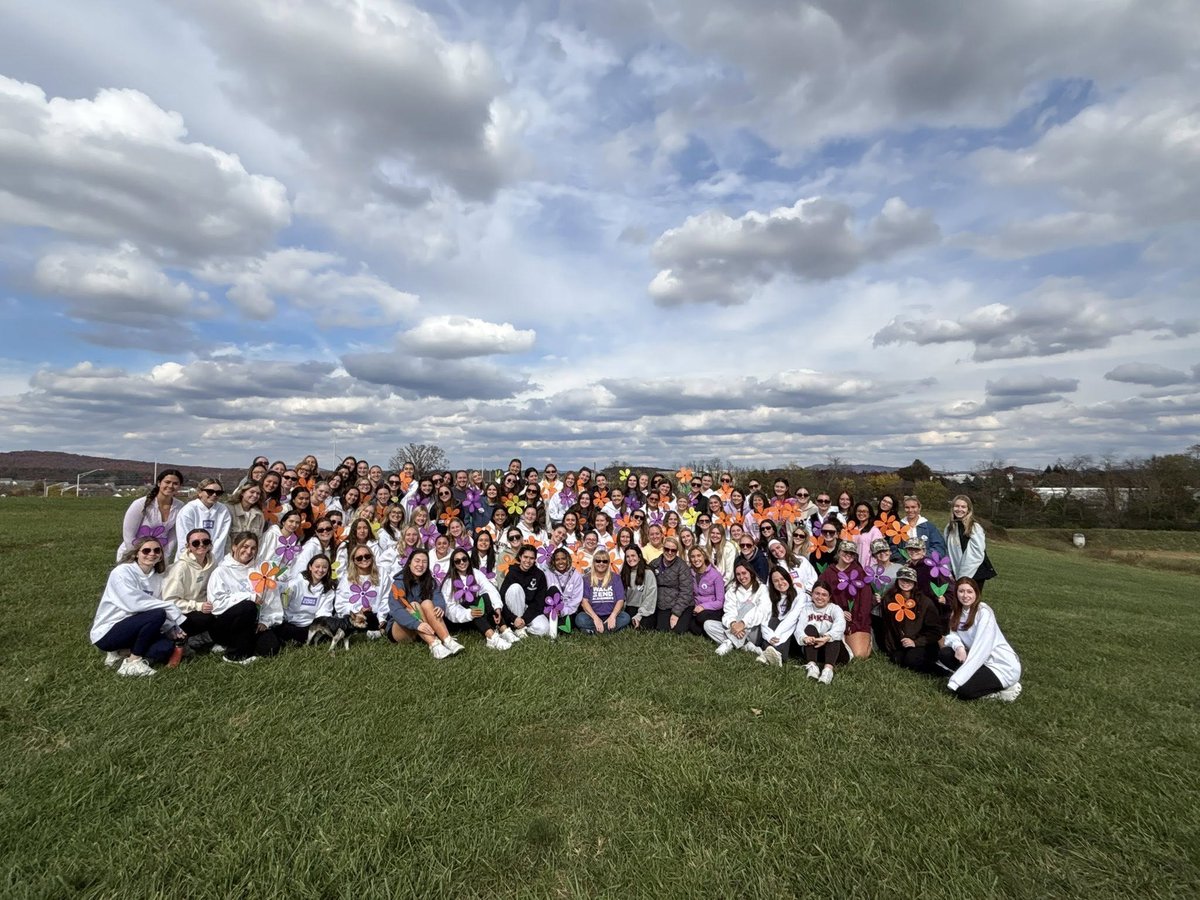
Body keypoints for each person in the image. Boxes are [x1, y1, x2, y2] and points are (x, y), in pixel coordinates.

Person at [90, 536, 186, 676]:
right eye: (146, 551)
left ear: (160, 556)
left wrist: (171, 628)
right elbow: (133, 604)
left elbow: (154, 608)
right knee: (157, 613)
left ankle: (120, 653)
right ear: (136, 554)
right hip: (109, 631)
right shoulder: (122, 572)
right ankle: (132, 663)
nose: (151, 554)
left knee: (165, 647)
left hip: (137, 628)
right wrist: (172, 609)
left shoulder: (158, 578)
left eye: (156, 550)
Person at [939, 577, 1022, 701]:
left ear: (976, 593)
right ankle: (976, 679)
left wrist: (958, 679)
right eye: (961, 591)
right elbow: (953, 634)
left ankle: (1005, 690)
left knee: (962, 690)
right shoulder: (957, 612)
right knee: (945, 653)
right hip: (980, 662)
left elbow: (981, 649)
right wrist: (959, 647)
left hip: (1000, 666)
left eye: (969, 591)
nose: (965, 595)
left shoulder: (984, 612)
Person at [206, 530, 283, 662]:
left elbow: (271, 598)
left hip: (253, 624)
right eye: (244, 546)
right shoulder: (221, 571)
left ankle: (244, 643)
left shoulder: (262, 569)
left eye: (253, 548)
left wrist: (266, 621)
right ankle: (234, 655)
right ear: (234, 547)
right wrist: (249, 596)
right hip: (226, 626)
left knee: (270, 649)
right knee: (248, 606)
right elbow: (217, 605)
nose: (249, 551)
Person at [385, 549, 462, 658]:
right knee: (414, 605)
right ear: (410, 562)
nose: (420, 565)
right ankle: (434, 644)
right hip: (400, 628)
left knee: (427, 602)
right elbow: (396, 610)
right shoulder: (398, 583)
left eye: (424, 562)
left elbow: (437, 595)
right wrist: (417, 624)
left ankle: (447, 640)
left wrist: (440, 607)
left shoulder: (430, 581)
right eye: (417, 561)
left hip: (421, 627)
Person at [441, 548, 512, 649]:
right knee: (471, 603)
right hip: (460, 619)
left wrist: (497, 608)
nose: (461, 563)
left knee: (486, 596)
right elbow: (449, 608)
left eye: (464, 559)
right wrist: (468, 613)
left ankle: (504, 629)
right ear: (453, 564)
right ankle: (492, 637)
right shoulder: (449, 582)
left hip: (476, 615)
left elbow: (489, 589)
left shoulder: (476, 573)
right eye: (457, 561)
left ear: (468, 560)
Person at [161, 527, 217, 654]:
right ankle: (181, 639)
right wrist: (197, 606)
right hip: (180, 612)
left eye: (205, 542)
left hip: (204, 607)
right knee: (205, 618)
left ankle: (200, 637)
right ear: (188, 546)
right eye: (196, 543)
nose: (201, 545)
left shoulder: (213, 563)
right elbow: (170, 600)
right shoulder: (180, 567)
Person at [877, 566, 942, 674]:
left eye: (909, 580)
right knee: (897, 659)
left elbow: (936, 632)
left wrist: (916, 642)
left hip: (923, 643)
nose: (906, 583)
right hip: (901, 645)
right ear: (898, 580)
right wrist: (891, 648)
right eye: (903, 579)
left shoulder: (925, 602)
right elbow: (887, 626)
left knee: (912, 660)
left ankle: (942, 670)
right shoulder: (889, 599)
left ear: (915, 582)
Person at [816, 540, 872, 659]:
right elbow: (819, 597)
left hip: (856, 620)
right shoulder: (828, 573)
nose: (848, 555)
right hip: (835, 617)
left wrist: (857, 622)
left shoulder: (859, 572)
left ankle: (868, 640)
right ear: (839, 552)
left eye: (852, 553)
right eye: (845, 552)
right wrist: (838, 612)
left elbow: (866, 601)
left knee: (859, 655)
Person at [704, 559, 768, 658]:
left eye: (744, 573)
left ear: (751, 573)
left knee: (749, 606)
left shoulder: (762, 589)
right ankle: (746, 646)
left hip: (754, 631)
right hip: (735, 630)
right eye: (738, 574)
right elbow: (729, 611)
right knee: (708, 625)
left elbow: (762, 612)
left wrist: (742, 623)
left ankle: (729, 642)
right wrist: (733, 624)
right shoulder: (732, 590)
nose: (742, 577)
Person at [117, 469, 185, 561]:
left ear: (179, 486)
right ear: (159, 483)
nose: (170, 486)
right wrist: (137, 556)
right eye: (167, 482)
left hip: (158, 556)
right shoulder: (140, 504)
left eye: (175, 483)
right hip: (133, 554)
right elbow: (128, 535)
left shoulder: (180, 507)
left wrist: (164, 556)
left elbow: (173, 535)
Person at [279, 555, 337, 644]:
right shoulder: (295, 584)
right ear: (310, 567)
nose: (320, 570)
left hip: (311, 626)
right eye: (317, 566)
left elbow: (324, 612)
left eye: (324, 567)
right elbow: (284, 604)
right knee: (281, 629)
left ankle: (300, 640)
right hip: (291, 622)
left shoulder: (328, 589)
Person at [334, 542, 387, 639]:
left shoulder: (382, 573)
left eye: (367, 556)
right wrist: (358, 610)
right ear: (353, 560)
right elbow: (340, 604)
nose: (364, 559)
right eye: (359, 558)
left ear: (372, 557)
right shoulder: (347, 578)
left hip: (376, 614)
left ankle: (377, 629)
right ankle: (374, 632)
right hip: (356, 616)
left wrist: (381, 617)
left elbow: (386, 597)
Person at [174, 478, 232, 562]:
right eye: (210, 491)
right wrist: (197, 558)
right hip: (190, 559)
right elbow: (184, 538)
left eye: (218, 493)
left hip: (214, 559)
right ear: (200, 492)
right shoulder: (189, 510)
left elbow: (221, 539)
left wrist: (210, 558)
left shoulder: (223, 510)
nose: (214, 495)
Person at [798, 583, 846, 684]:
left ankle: (828, 670)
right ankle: (812, 666)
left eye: (824, 595)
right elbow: (799, 628)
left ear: (829, 597)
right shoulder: (806, 608)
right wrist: (804, 638)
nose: (820, 597)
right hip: (814, 649)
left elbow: (840, 625)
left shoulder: (835, 608)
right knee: (810, 628)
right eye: (817, 593)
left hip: (835, 652)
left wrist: (826, 637)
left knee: (833, 635)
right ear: (812, 594)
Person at [758, 566, 804, 667]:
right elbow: (764, 617)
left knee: (787, 623)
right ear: (772, 584)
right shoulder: (771, 596)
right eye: (776, 581)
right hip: (775, 632)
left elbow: (792, 618)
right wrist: (769, 636)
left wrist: (776, 635)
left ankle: (770, 654)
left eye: (782, 579)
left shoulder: (800, 595)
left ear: (788, 578)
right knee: (773, 620)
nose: (780, 583)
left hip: (791, 631)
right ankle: (771, 654)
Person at [498, 544, 545, 638]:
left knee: (544, 629)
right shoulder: (512, 572)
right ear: (520, 557)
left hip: (528, 610)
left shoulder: (539, 575)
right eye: (525, 557)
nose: (528, 561)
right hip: (513, 610)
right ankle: (518, 628)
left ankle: (519, 626)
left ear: (535, 559)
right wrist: (513, 618)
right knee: (516, 588)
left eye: (531, 558)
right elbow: (502, 598)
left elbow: (539, 602)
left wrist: (524, 619)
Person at [576, 550, 629, 633]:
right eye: (598, 561)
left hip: (611, 614)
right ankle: (611, 629)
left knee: (625, 617)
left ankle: (593, 631)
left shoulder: (616, 578)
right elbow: (584, 602)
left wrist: (613, 616)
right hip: (592, 616)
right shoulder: (586, 579)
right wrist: (596, 618)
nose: (601, 563)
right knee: (580, 619)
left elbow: (620, 600)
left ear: (608, 563)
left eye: (605, 561)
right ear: (593, 562)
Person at [535, 547, 583, 637]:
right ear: (553, 561)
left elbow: (576, 600)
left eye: (563, 559)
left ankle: (558, 625)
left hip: (569, 611)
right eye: (557, 559)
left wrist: (562, 611)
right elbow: (543, 595)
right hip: (550, 609)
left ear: (568, 559)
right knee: (553, 589)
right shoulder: (547, 574)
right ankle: (552, 622)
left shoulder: (576, 575)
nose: (560, 562)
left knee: (565, 630)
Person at [944, 494, 990, 585]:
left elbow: (976, 553)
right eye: (956, 506)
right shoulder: (950, 527)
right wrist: (948, 571)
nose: (959, 509)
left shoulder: (974, 527)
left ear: (968, 509)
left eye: (963, 507)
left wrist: (964, 575)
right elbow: (946, 551)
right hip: (956, 571)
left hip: (975, 571)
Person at [654, 536, 692, 633]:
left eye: (673, 550)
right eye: (667, 549)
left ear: (677, 551)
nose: (670, 552)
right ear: (663, 548)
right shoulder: (654, 564)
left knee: (679, 630)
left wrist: (676, 613)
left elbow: (686, 591)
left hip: (679, 603)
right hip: (662, 604)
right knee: (662, 629)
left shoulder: (682, 566)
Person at [689, 546, 727, 638]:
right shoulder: (690, 573)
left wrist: (703, 606)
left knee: (701, 617)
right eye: (693, 557)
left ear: (704, 557)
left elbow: (720, 602)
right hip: (696, 609)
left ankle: (716, 627)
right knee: (692, 627)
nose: (696, 559)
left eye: (699, 556)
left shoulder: (715, 575)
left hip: (713, 609)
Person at [897, 495, 948, 561]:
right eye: (907, 507)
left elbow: (939, 547)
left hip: (926, 564)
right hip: (905, 565)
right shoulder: (898, 526)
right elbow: (893, 548)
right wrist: (902, 561)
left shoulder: (929, 527)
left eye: (913, 507)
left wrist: (923, 556)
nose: (910, 510)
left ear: (919, 508)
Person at [619, 545, 657, 630]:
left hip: (644, 608)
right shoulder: (624, 574)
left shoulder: (648, 573)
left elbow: (650, 597)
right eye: (628, 556)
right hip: (629, 608)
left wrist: (639, 615)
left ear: (639, 556)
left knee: (645, 625)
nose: (630, 559)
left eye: (633, 555)